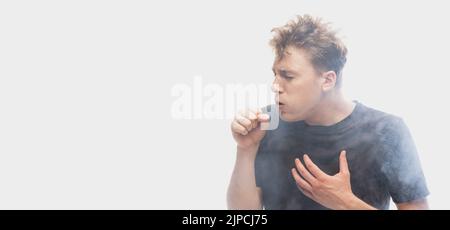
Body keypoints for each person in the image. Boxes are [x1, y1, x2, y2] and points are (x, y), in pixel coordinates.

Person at [227, 15, 429, 210]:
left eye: (287, 76)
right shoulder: (268, 124)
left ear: (327, 80)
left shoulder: (387, 131)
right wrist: (246, 149)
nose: (275, 86)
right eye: (275, 74)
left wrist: (347, 204)